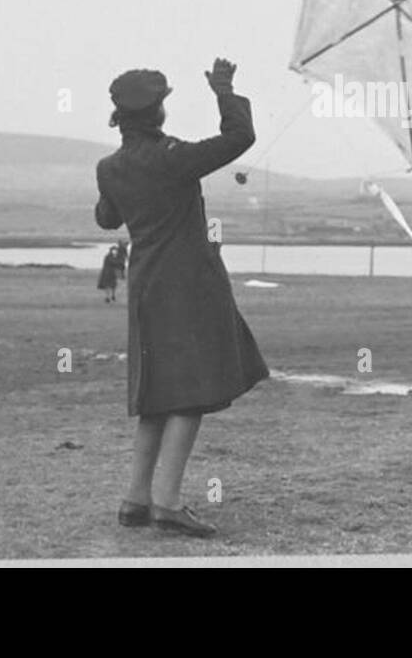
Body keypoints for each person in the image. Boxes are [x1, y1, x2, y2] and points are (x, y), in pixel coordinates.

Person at [95, 59, 269, 537]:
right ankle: (167, 503)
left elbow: (107, 218)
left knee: (156, 395)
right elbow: (239, 138)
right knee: (190, 393)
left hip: (146, 286)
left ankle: (135, 500)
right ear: (158, 115)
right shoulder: (173, 157)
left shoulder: (109, 167)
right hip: (189, 286)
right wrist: (225, 89)